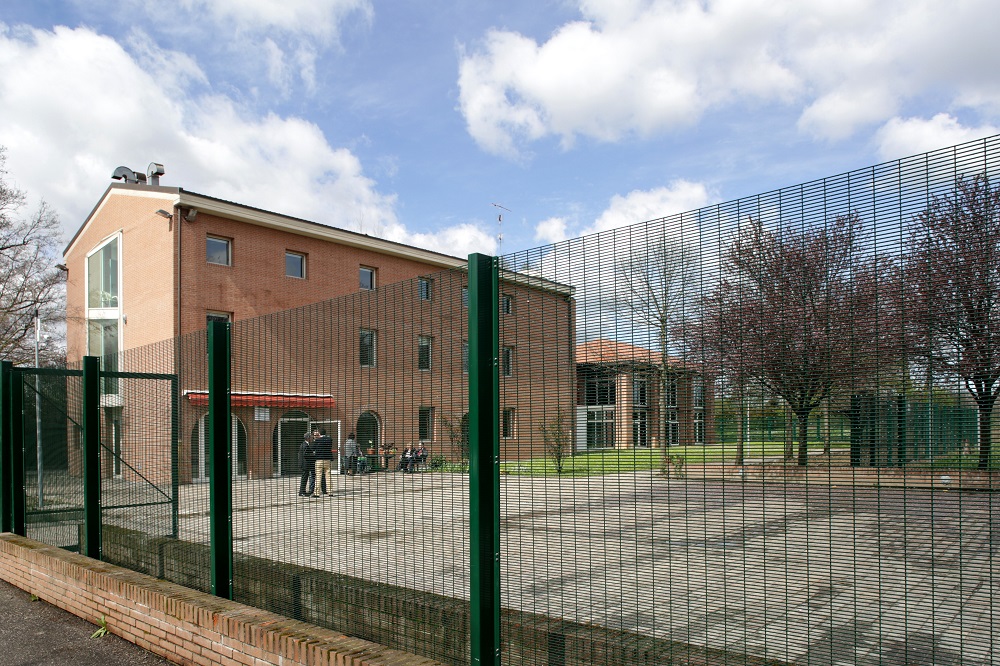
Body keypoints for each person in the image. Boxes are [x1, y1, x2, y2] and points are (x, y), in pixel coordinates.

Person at [312, 428, 334, 495]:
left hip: (319, 460)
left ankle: (316, 493)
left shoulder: (317, 440)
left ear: (319, 433)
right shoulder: (329, 440)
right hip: (327, 459)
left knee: (318, 476)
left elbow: (313, 449)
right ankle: (330, 491)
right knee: (328, 476)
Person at [297, 432, 316, 497]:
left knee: (304, 478)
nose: (312, 438)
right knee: (304, 478)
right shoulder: (305, 445)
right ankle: (302, 492)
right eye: (311, 437)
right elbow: (305, 454)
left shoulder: (304, 444)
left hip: (304, 464)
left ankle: (302, 491)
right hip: (305, 465)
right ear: (308, 438)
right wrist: (313, 454)